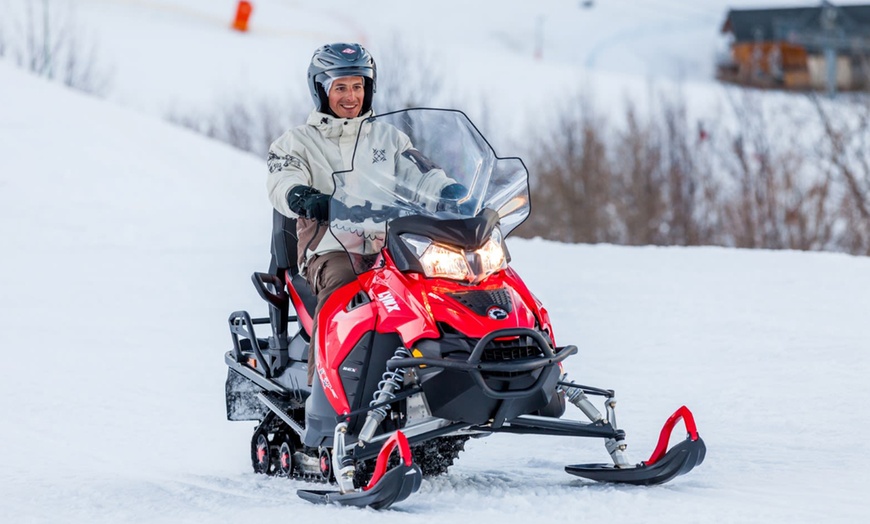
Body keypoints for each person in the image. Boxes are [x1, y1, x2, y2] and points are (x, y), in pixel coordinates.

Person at [266, 43, 464, 385]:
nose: (350, 96)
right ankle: (322, 398)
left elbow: (420, 172)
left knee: (440, 285)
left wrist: (448, 191)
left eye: (358, 86)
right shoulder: (296, 142)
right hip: (331, 248)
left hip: (392, 245)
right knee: (343, 288)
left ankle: (446, 379)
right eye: (340, 87)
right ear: (321, 90)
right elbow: (283, 179)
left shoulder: (388, 138)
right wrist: (301, 196)